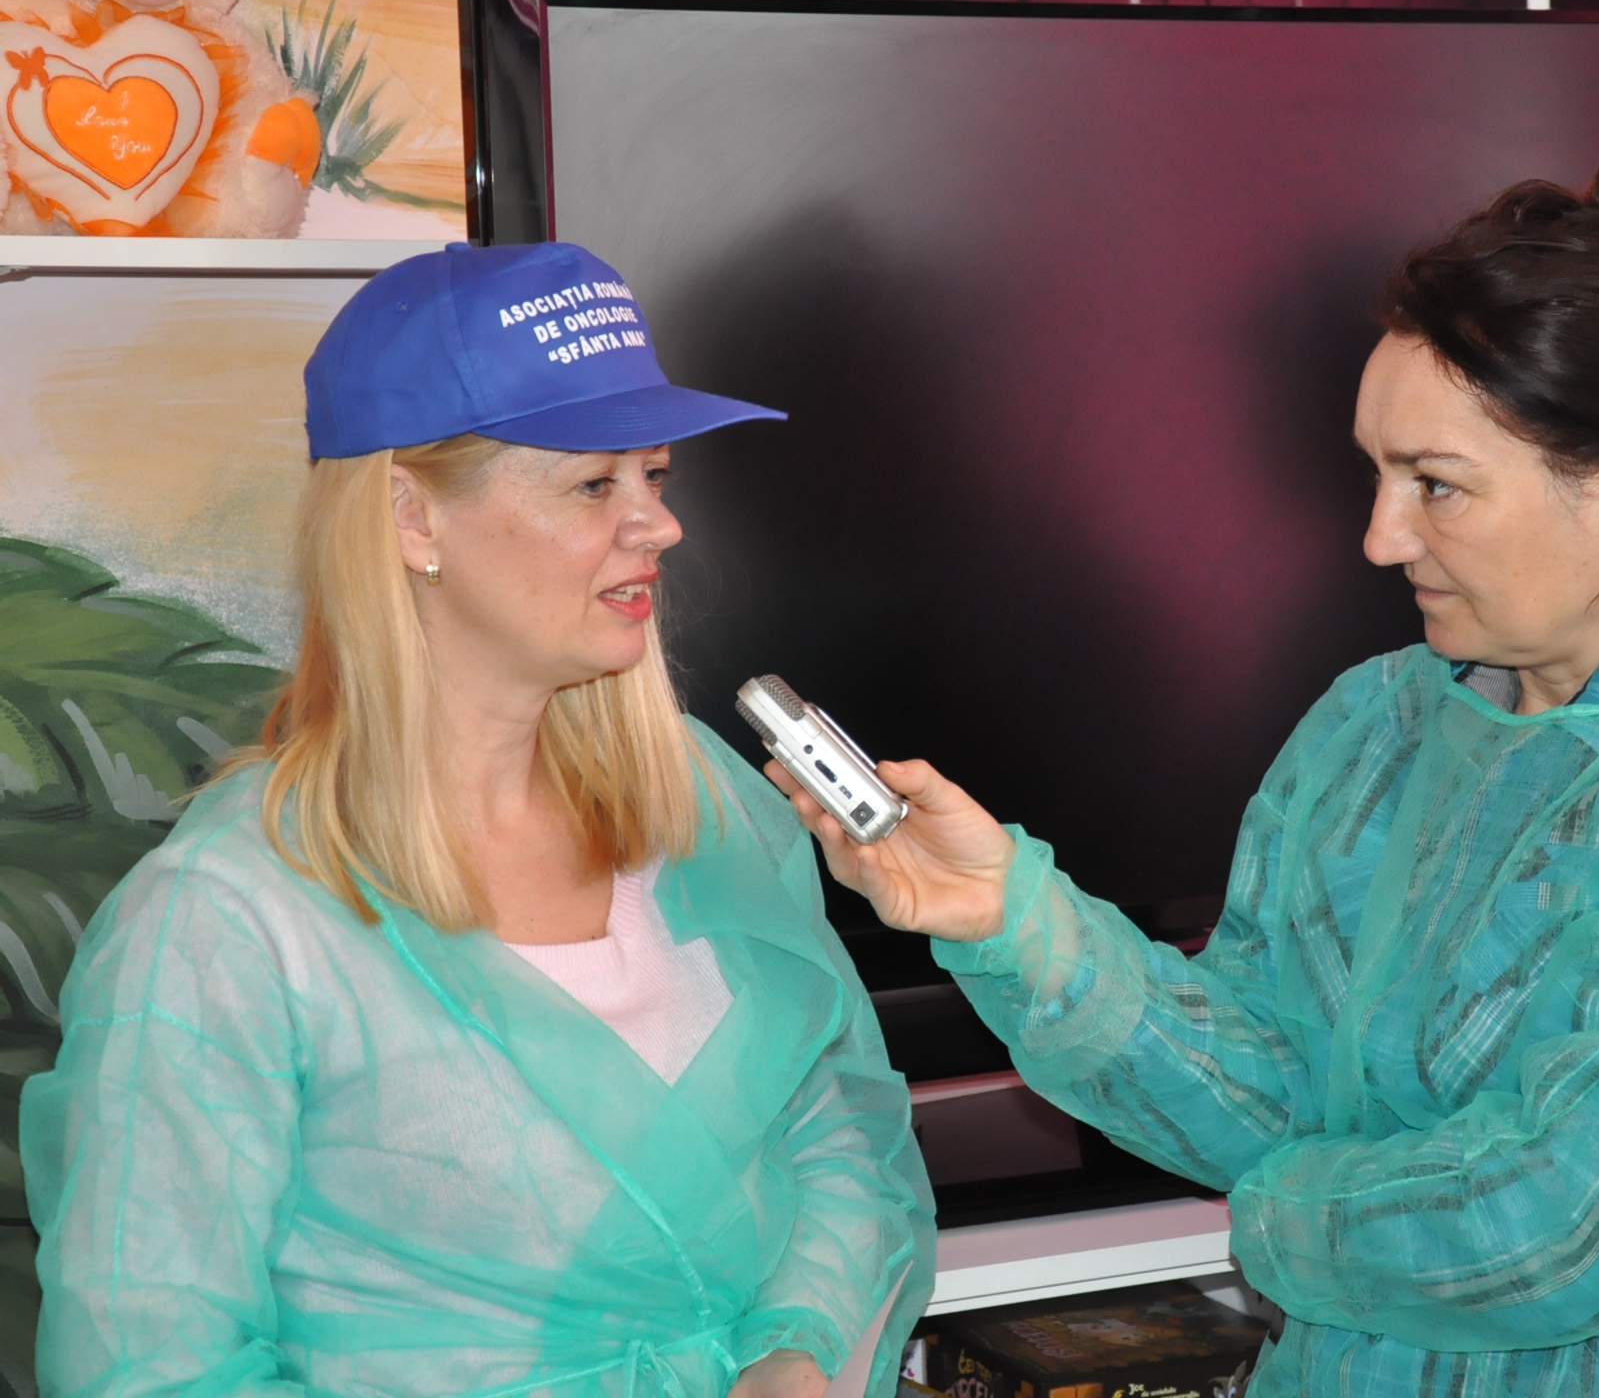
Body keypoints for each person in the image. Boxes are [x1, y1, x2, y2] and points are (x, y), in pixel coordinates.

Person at [771, 161, 1599, 1396]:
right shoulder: (1377, 725)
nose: (1380, 536)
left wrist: (1278, 1211)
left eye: (1435, 484)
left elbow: (1554, 1229)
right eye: (1375, 474)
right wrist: (1013, 918)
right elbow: (1264, 1088)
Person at [21, 242, 933, 1398]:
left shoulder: (706, 803)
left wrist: (791, 1355)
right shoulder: (225, 920)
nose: (659, 524)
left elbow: (834, 1129)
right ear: (410, 516)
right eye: (595, 485)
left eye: (656, 476)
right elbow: (149, 1365)